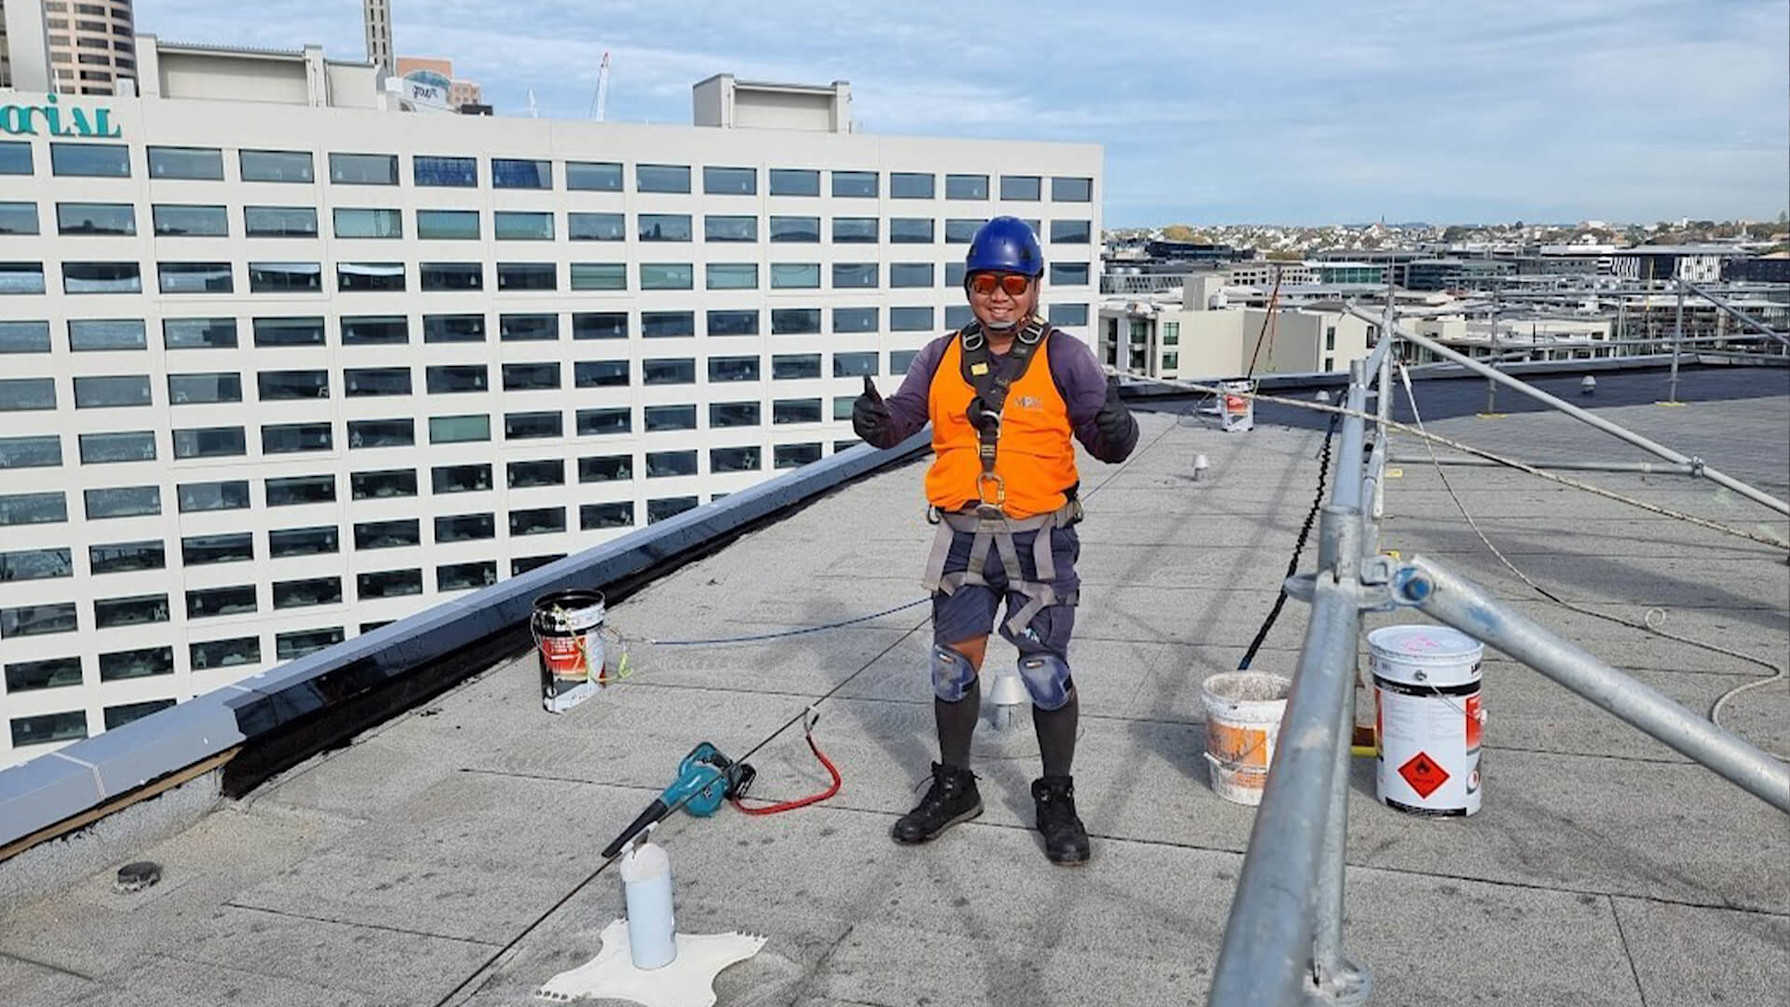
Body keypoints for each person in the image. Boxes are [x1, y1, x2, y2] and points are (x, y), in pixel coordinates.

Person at [852, 216, 1139, 865]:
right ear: (969, 287)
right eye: (986, 282)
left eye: (1013, 281)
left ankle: (1056, 795)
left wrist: (1118, 429)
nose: (999, 294)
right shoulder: (942, 354)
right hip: (961, 540)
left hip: (1040, 540)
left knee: (1043, 671)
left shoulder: (1064, 355)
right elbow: (903, 418)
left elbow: (1106, 440)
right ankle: (955, 784)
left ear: (1035, 286)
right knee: (952, 667)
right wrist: (876, 422)